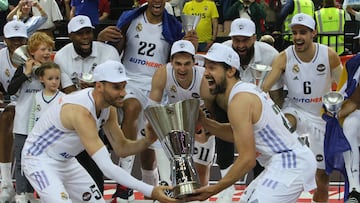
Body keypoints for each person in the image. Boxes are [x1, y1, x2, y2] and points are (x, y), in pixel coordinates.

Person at [21, 60, 177, 203]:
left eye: (124, 86)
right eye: (116, 87)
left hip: (66, 161)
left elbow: (122, 149)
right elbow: (107, 167)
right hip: (38, 160)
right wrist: (151, 190)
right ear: (99, 86)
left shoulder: (108, 108)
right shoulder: (81, 112)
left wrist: (148, 140)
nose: (123, 93)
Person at [187, 42, 317, 203]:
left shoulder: (239, 101)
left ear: (230, 71)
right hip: (283, 160)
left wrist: (214, 189)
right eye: (206, 67)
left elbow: (247, 160)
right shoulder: (243, 91)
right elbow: (236, 133)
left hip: (290, 162)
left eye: (212, 68)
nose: (206, 73)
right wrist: (205, 122)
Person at [96, 0, 198, 201]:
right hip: (130, 80)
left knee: (150, 139)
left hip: (157, 83)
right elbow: (116, 48)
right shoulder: (130, 18)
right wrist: (102, 38)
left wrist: (191, 44)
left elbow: (178, 58)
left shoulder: (174, 27)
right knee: (132, 109)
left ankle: (151, 184)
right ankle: (124, 184)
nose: (157, 1)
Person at [262, 13, 343, 203]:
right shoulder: (284, 57)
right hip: (295, 108)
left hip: (320, 116)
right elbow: (265, 88)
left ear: (313, 33)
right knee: (287, 122)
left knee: (322, 179)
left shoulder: (328, 55)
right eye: (295, 32)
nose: (298, 37)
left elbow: (343, 87)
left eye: (303, 32)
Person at [200, 17, 280, 203]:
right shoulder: (222, 52)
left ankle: (259, 180)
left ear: (254, 38)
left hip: (261, 111)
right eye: (237, 40)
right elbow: (210, 89)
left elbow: (277, 94)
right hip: (230, 107)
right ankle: (226, 178)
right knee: (222, 116)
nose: (240, 45)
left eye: (245, 40)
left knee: (256, 153)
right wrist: (209, 119)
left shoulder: (271, 54)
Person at [53, 15, 121, 195]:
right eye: (79, 33)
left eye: (88, 32)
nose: (85, 37)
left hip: (104, 110)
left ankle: (98, 192)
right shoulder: (61, 56)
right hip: (77, 113)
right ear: (70, 36)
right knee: (84, 156)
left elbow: (117, 89)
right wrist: (92, 92)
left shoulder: (108, 52)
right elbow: (69, 93)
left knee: (96, 158)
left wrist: (96, 91)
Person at [148, 39, 215, 187]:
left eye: (186, 64)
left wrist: (206, 131)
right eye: (178, 63)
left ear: (194, 62)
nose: (182, 69)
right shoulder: (162, 73)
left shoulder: (204, 78)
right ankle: (166, 184)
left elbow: (213, 111)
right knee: (160, 136)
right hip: (176, 120)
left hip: (201, 121)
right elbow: (152, 108)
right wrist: (153, 128)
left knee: (201, 176)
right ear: (171, 62)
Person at [7, 31, 55, 203]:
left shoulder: (52, 69)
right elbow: (10, 90)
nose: (47, 52)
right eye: (43, 49)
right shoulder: (22, 68)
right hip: (23, 123)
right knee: (21, 161)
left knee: (43, 161)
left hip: (45, 125)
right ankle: (21, 193)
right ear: (32, 51)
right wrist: (26, 73)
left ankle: (36, 193)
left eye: (49, 49)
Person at [0, 20, 28, 203]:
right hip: (13, 103)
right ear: (5, 40)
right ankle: (6, 185)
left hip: (35, 102)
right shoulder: (0, 57)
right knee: (8, 116)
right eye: (13, 39)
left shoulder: (36, 53)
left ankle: (23, 187)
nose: (17, 42)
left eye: (20, 38)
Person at [27, 62, 64, 132]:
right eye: (50, 79)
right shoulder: (37, 96)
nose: (54, 82)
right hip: (38, 135)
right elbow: (32, 117)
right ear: (41, 79)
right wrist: (30, 135)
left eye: (57, 78)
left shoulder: (63, 97)